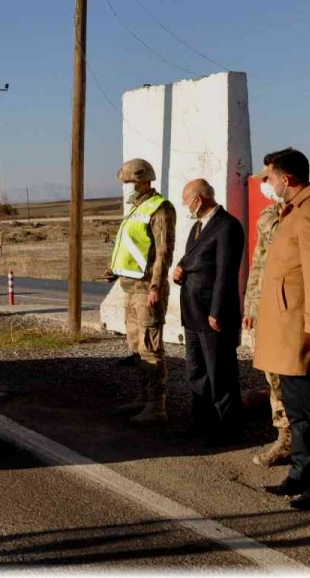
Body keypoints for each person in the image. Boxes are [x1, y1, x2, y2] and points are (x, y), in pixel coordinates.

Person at [253, 148, 310, 511]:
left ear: (286, 178)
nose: (267, 183)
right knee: (298, 411)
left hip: (301, 331)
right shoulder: (294, 210)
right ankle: (300, 474)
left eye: (270, 177)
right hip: (285, 330)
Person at [172, 179, 245, 445]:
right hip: (192, 313)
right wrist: (179, 269)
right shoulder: (197, 227)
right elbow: (193, 258)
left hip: (213, 315)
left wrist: (217, 312)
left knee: (220, 374)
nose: (185, 206)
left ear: (199, 199)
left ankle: (228, 428)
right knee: (197, 372)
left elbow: (226, 272)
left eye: (186, 201)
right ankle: (201, 421)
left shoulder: (227, 226)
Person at [105, 158, 177, 426]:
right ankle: (144, 397)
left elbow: (163, 252)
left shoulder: (160, 208)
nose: (127, 186)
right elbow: (133, 248)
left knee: (150, 348)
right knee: (136, 345)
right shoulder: (136, 208)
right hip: (130, 287)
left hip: (147, 289)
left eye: (130, 182)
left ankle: (157, 406)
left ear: (144, 180)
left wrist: (156, 286)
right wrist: (115, 269)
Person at [244, 171, 291, 466]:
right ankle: (285, 435)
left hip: (287, 308)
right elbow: (258, 263)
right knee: (272, 375)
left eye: (269, 178)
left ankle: (290, 438)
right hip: (266, 307)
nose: (265, 184)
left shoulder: (300, 214)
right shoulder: (269, 214)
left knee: (288, 377)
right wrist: (251, 305)